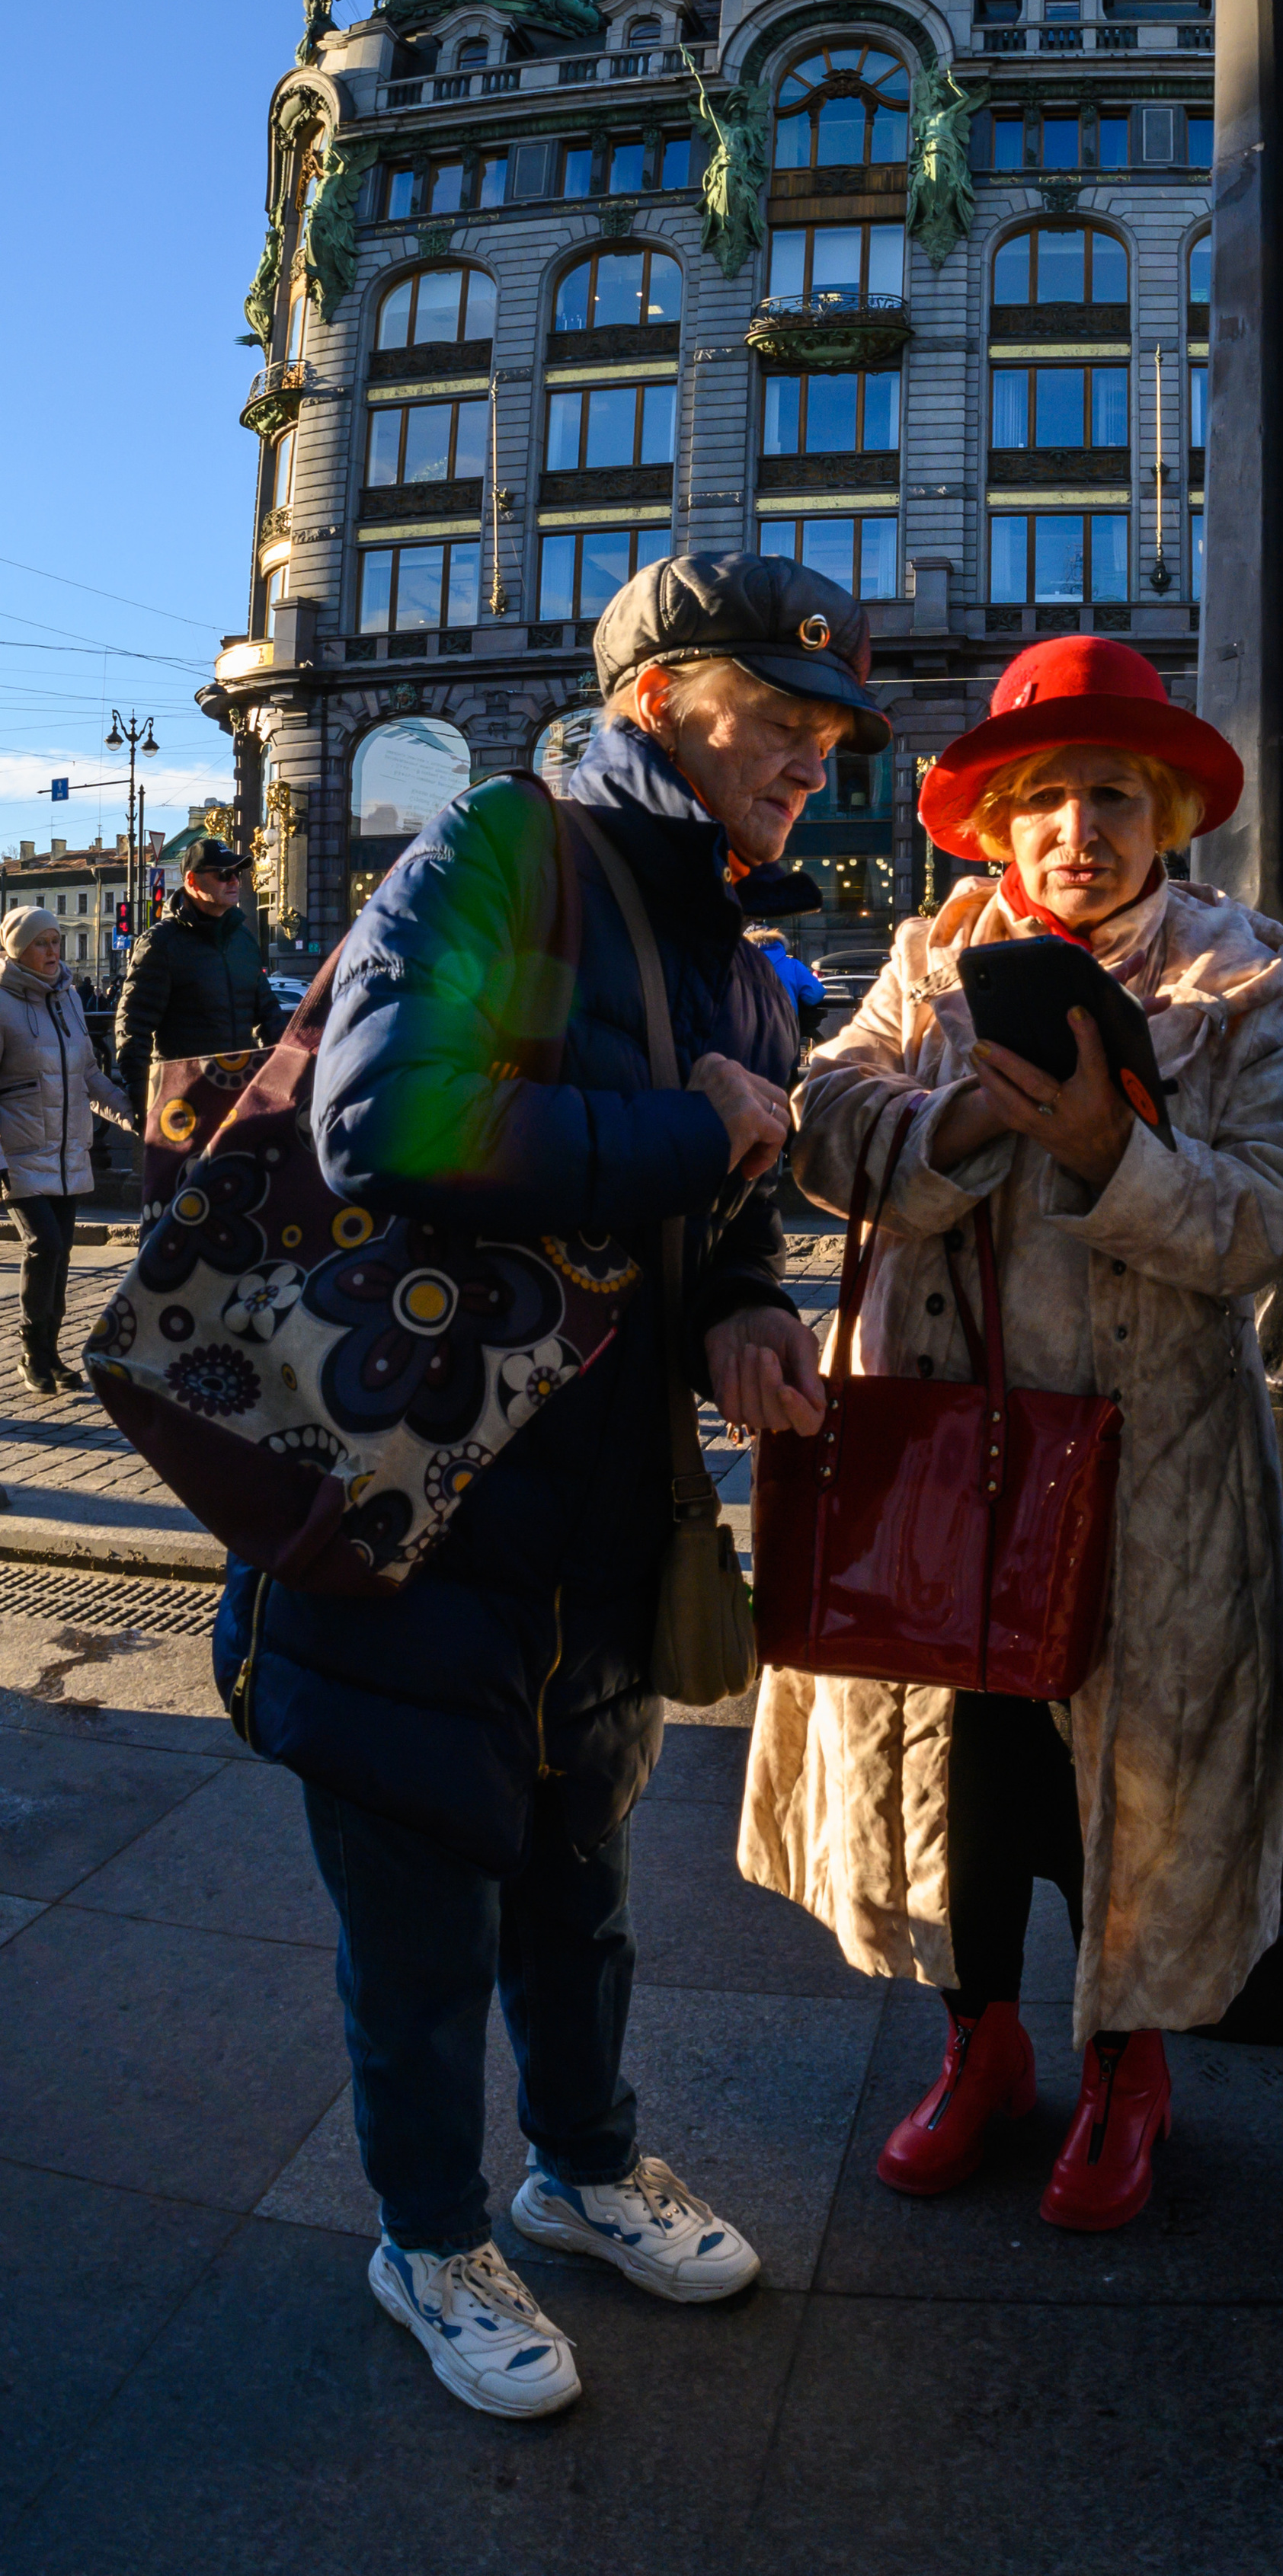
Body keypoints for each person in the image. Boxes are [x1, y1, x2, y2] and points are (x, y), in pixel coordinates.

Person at [211, 551, 884, 2421]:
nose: (808, 766)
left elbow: (718, 1222)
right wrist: (689, 1132)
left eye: (830, 739)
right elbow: (385, 1119)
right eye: (778, 724)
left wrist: (743, 1316)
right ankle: (425, 2236)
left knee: (578, 1881)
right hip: (411, 1502)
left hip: (597, 1515)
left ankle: (581, 2172)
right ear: (662, 703)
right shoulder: (505, 851)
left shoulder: (738, 960)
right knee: (417, 1914)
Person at [740, 636, 1283, 2229]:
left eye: (1114, 798)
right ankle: (977, 2043)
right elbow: (825, 1132)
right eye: (1047, 798)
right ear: (995, 825)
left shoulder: (1241, 976)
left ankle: (1124, 2071)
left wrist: (1107, 1155)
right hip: (946, 1456)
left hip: (1150, 1476)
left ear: (1163, 820)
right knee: (969, 1772)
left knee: (1131, 1781)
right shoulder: (926, 963)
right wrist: (975, 1119)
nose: (1080, 829)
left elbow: (1264, 1219)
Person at [0, 908, 136, 1392]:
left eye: (57, 941)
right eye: (43, 943)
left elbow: (89, 1077)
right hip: (18, 1152)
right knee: (46, 1245)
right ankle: (31, 1353)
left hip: (67, 1150)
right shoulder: (1, 1003)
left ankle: (50, 1354)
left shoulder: (69, 1000)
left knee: (60, 1256)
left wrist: (131, 1116)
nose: (54, 951)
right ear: (18, 949)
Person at [114, 836, 285, 1109]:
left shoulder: (242, 939)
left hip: (237, 1091)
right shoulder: (161, 943)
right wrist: (143, 1101)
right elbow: (134, 1028)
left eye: (237, 874)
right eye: (224, 874)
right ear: (192, 881)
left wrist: (284, 1076)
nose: (234, 882)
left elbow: (269, 1016)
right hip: (183, 1098)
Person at [747, 923, 827, 1047]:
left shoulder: (736, 963)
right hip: (784, 1031)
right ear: (777, 942)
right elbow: (814, 995)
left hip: (747, 1031)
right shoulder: (792, 965)